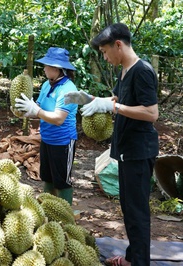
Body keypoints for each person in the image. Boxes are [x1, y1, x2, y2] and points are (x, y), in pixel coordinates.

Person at [64, 23, 159, 266]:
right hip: (127, 151)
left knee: (138, 213)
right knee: (129, 210)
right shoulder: (124, 71)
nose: (105, 58)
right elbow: (118, 98)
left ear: (118, 45)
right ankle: (132, 258)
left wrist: (113, 107)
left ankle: (140, 263)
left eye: (105, 52)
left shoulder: (142, 70)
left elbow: (151, 113)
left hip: (139, 151)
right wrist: (92, 99)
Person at [14, 47, 78, 205]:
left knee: (63, 181)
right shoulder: (46, 85)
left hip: (63, 141)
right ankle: (47, 210)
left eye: (47, 66)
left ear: (57, 69)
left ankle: (65, 215)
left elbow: (58, 119)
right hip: (47, 139)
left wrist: (36, 110)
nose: (44, 69)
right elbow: (39, 109)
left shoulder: (69, 90)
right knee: (48, 178)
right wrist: (27, 112)